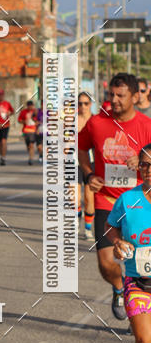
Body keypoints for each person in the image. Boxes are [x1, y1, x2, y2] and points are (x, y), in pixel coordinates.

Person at [78, 72, 151, 320]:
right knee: (106, 262)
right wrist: (88, 175)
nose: (114, 100)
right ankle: (120, 287)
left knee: (141, 258)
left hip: (140, 201)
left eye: (120, 95)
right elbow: (81, 148)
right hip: (106, 201)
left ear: (134, 96)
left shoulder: (146, 125)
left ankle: (139, 303)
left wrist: (142, 160)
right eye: (111, 94)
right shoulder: (97, 123)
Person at [106, 144, 151, 343]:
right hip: (138, 281)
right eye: (144, 164)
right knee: (144, 342)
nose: (148, 170)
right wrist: (116, 241)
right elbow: (111, 226)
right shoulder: (128, 199)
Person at [77, 92, 95, 241]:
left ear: (90, 104)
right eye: (80, 103)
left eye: (86, 103)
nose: (82, 106)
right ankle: (77, 221)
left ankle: (88, 229)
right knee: (74, 199)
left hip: (92, 163)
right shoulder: (71, 121)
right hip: (74, 162)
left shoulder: (95, 121)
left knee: (89, 199)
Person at [0, 89, 14, 166]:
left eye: (2, 95)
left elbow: (13, 111)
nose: (0, 96)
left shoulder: (7, 104)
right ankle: (1, 155)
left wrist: (9, 113)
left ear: (3, 95)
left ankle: (3, 157)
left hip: (5, 125)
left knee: (3, 141)